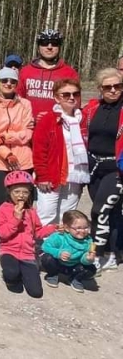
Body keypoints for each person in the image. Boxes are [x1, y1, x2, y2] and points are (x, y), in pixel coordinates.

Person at [0, 67, 33, 246]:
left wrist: (4, 137)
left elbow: (28, 132)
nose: (8, 84)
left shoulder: (25, 104)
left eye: (12, 81)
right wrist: (7, 153)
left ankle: (21, 235)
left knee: (22, 199)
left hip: (23, 160)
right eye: (4, 80)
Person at [82, 67, 123, 271]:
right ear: (100, 89)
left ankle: (97, 253)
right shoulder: (92, 108)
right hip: (93, 166)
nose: (113, 90)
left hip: (116, 168)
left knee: (99, 210)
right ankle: (113, 252)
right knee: (111, 211)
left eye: (118, 86)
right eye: (108, 87)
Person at [32, 78, 88, 226]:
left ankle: (63, 241)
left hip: (75, 176)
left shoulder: (84, 119)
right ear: (56, 98)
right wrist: (42, 175)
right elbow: (39, 150)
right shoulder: (48, 119)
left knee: (67, 217)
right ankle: (44, 241)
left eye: (75, 94)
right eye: (66, 94)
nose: (71, 97)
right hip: (51, 176)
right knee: (46, 216)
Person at [0, 171, 54, 298]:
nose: (21, 195)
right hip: (9, 250)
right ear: (9, 191)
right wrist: (16, 219)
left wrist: (53, 228)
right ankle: (10, 277)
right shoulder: (3, 209)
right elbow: (3, 233)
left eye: (25, 192)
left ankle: (21, 272)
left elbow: (37, 232)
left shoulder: (31, 211)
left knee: (36, 293)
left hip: (28, 253)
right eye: (16, 192)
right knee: (12, 277)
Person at [17, 29, 79, 122]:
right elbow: (17, 100)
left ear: (59, 47)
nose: (49, 47)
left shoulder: (69, 73)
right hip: (29, 125)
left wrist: (58, 116)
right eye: (44, 43)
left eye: (54, 43)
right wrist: (26, 119)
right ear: (38, 47)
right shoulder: (25, 71)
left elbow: (75, 104)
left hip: (58, 126)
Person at [40, 210, 97, 293]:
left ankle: (74, 278)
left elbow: (83, 259)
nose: (83, 231)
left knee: (92, 269)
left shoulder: (88, 241)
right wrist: (58, 253)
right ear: (67, 228)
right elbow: (45, 247)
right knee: (46, 258)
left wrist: (88, 259)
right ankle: (52, 274)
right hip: (58, 263)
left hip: (74, 266)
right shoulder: (60, 237)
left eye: (86, 227)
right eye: (78, 228)